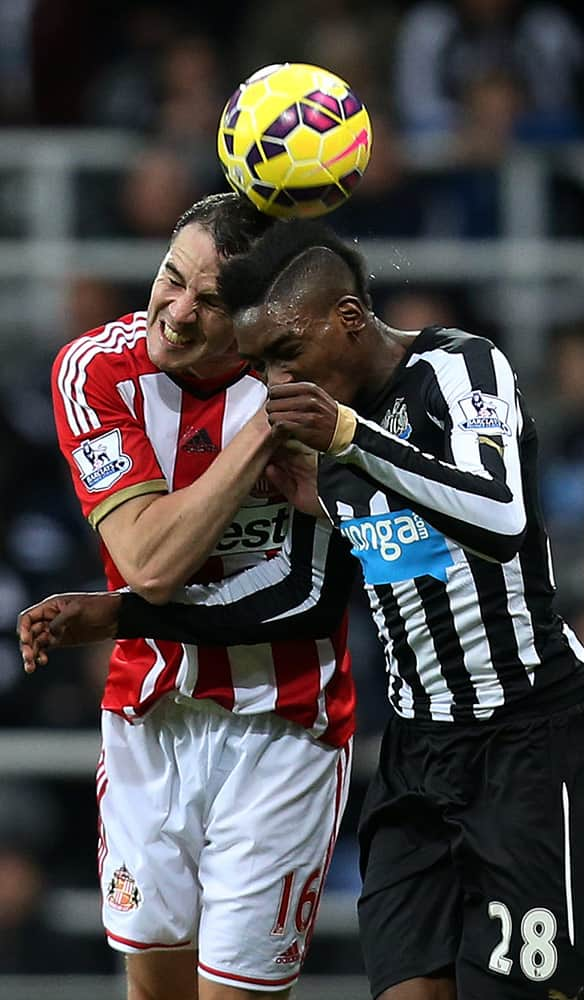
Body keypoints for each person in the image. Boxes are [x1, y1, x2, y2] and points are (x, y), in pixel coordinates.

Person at [21, 217, 584, 1000]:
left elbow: (501, 519)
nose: (275, 384)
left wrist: (350, 439)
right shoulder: (322, 441)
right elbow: (305, 596)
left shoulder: (459, 368)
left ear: (345, 320)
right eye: (262, 364)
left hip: (531, 736)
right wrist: (124, 617)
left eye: (286, 357)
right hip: (418, 751)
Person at [24, 196, 357, 1000]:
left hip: (284, 726)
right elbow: (150, 561)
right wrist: (261, 438)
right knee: (155, 992)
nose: (174, 313)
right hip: (149, 717)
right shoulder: (95, 370)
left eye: (208, 302)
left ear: (249, 318)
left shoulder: (309, 375)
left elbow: (334, 576)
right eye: (170, 279)